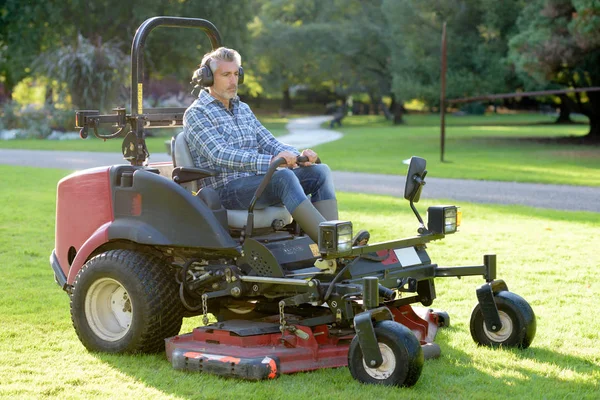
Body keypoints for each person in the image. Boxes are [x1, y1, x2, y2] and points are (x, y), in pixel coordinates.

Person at [182, 47, 343, 243]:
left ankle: (333, 239)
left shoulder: (243, 109)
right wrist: (272, 162)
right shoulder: (197, 113)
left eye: (236, 74)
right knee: (282, 177)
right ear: (207, 79)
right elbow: (219, 154)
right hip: (224, 191)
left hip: (255, 185)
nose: (233, 81)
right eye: (226, 75)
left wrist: (298, 157)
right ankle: (331, 244)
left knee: (320, 172)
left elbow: (269, 142)